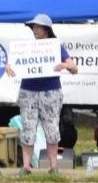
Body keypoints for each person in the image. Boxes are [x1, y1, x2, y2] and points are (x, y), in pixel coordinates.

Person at [17, 12, 63, 173]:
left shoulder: (56, 47)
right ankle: (26, 166)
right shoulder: (27, 48)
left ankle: (53, 166)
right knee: (28, 128)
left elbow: (74, 66)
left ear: (47, 29)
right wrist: (9, 67)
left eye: (38, 27)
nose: (35, 30)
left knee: (51, 128)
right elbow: (14, 64)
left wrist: (64, 66)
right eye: (33, 27)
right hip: (28, 91)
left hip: (50, 92)